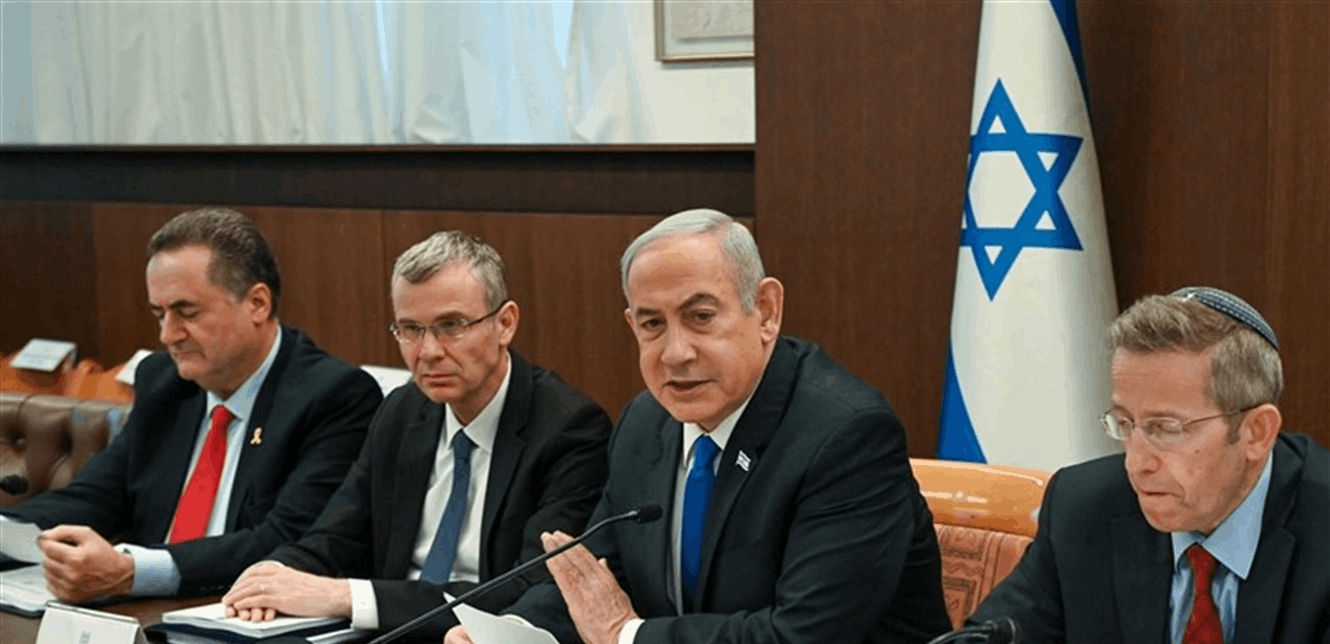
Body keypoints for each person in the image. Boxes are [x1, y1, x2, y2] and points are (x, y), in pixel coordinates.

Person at [448, 208, 950, 644]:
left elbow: (801, 635)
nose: (675, 353)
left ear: (766, 311)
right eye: (652, 324)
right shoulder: (645, 422)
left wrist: (627, 635)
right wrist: (509, 630)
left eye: (701, 316)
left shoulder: (846, 436)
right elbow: (601, 576)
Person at [221, 231, 613, 641]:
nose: (428, 352)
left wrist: (347, 597)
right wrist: (271, 575)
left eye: (451, 326)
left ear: (505, 323)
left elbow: (532, 587)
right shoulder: (402, 412)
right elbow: (336, 535)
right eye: (410, 329)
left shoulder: (569, 429)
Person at [0, 208, 382, 602]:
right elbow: (97, 495)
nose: (168, 335)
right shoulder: (164, 382)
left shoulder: (334, 395)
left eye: (187, 313)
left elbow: (288, 539)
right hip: (144, 611)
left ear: (257, 303)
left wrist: (133, 573)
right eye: (159, 314)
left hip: (243, 609)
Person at [969, 286, 1330, 643]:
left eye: (1167, 429)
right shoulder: (1083, 509)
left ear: (1256, 433)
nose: (1136, 463)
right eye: (1125, 424)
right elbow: (993, 636)